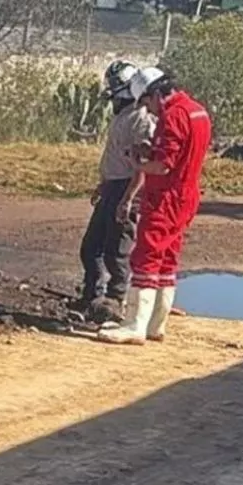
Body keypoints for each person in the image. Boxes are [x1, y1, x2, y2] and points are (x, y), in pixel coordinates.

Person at [99, 66, 211, 345]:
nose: (149, 111)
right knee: (167, 259)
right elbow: (181, 152)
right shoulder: (197, 111)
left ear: (156, 94)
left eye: (147, 103)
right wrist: (150, 151)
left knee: (146, 258)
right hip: (186, 195)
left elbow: (163, 166)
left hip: (165, 198)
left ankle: (134, 325)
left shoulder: (172, 116)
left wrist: (138, 163)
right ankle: (155, 324)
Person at [72, 60, 156, 322]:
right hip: (112, 186)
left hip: (126, 188)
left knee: (116, 250)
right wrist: (104, 184)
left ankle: (115, 301)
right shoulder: (122, 115)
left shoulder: (141, 120)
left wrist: (128, 199)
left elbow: (141, 166)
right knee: (91, 248)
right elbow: (117, 156)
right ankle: (92, 295)